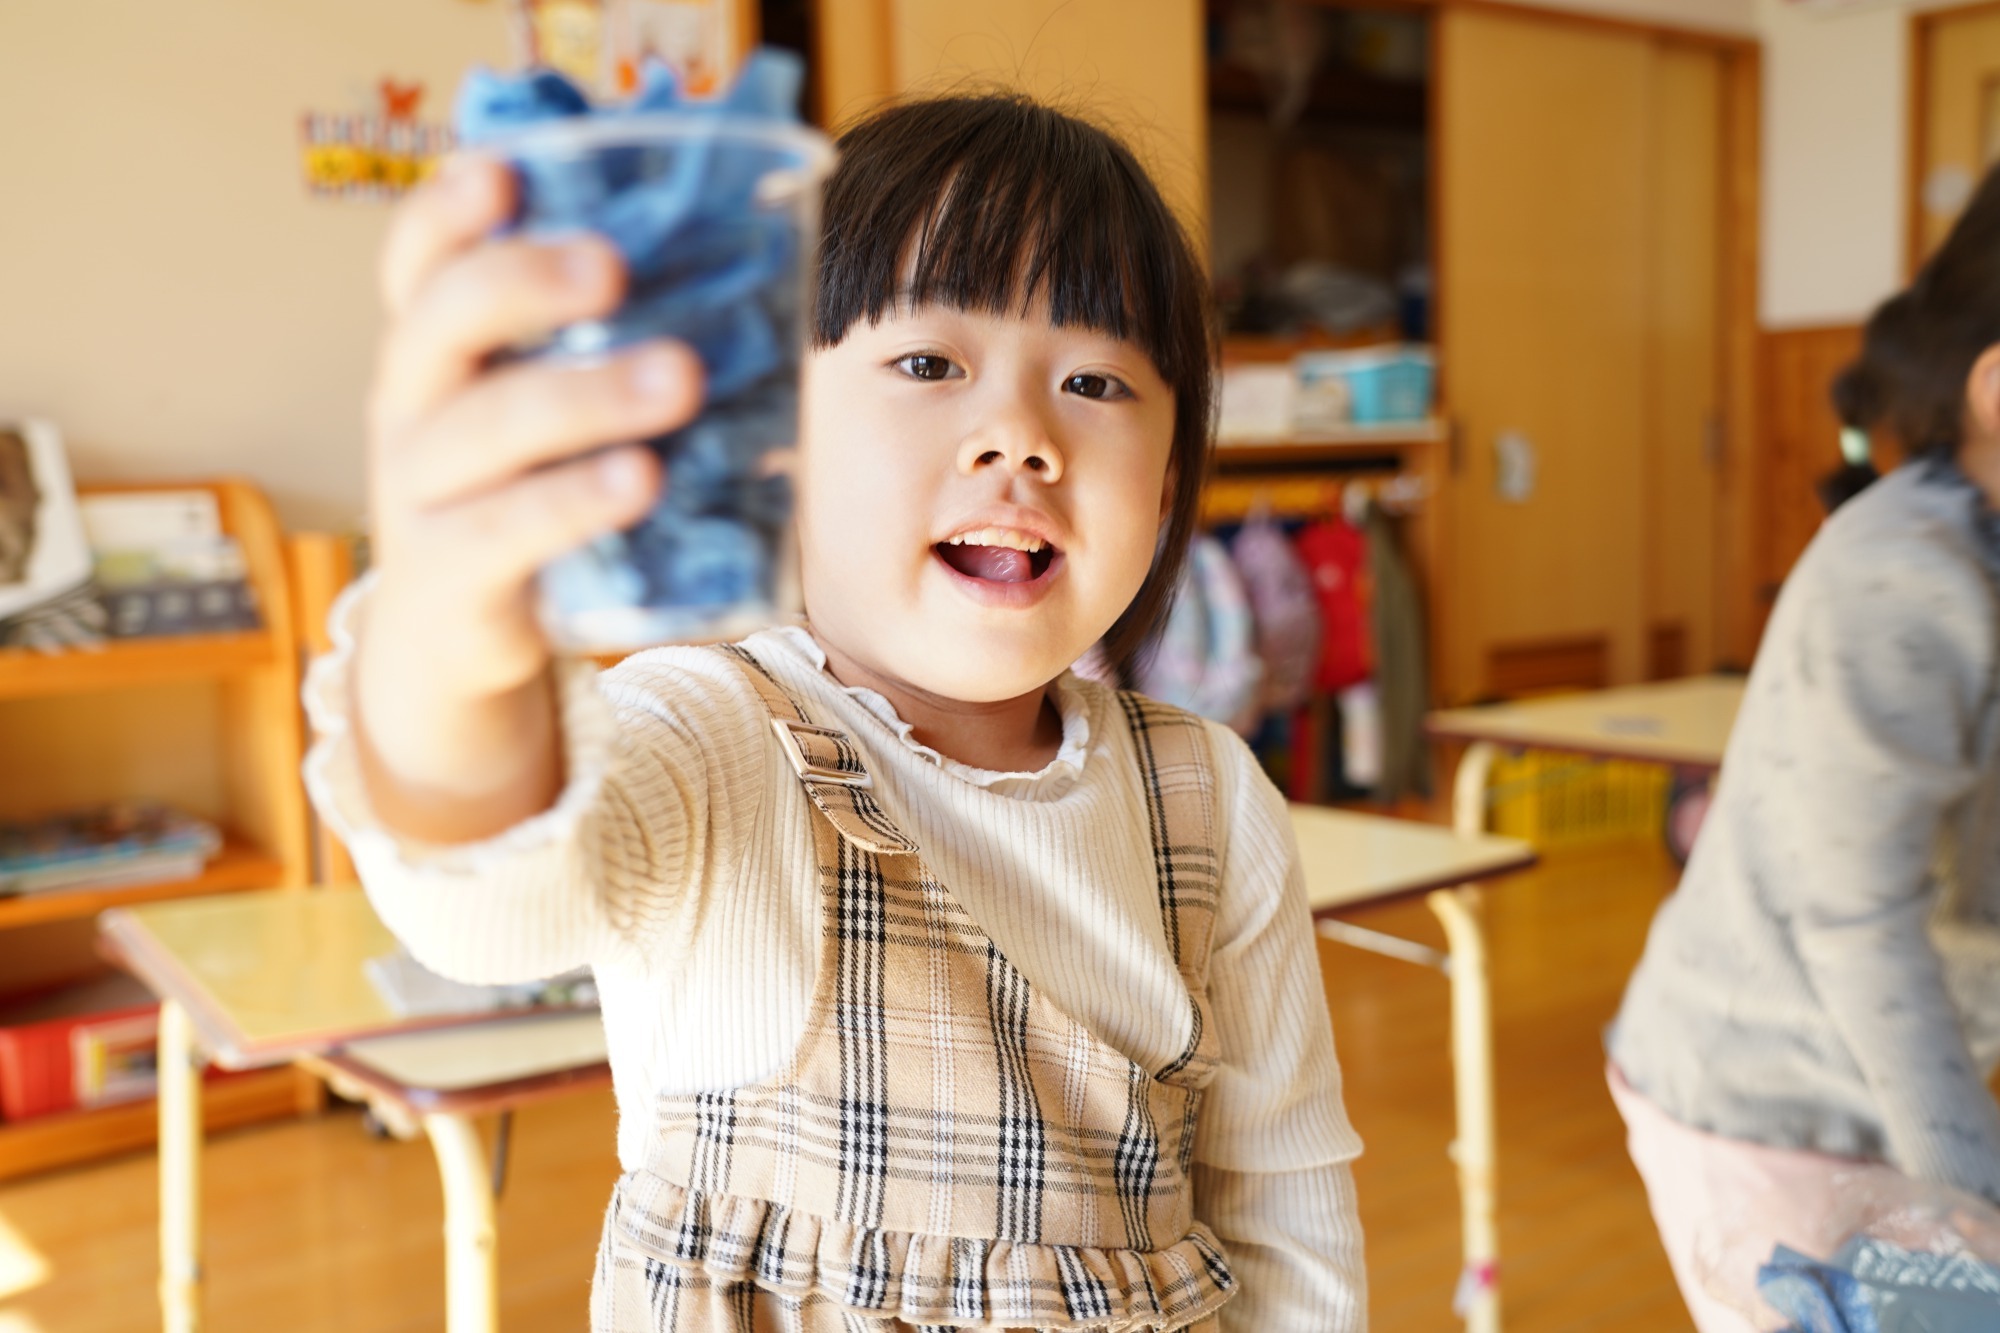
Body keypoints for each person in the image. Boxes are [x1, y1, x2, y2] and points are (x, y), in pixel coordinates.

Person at [306, 92, 1366, 1331]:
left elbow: (1284, 1208)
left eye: (1092, 380)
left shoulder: (1211, 801)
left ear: (1173, 475)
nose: (1020, 437)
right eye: (928, 364)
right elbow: (483, 903)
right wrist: (449, 632)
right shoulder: (716, 736)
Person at [1606, 163, 2000, 1331]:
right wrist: (1976, 1210)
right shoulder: (1904, 575)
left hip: (1900, 1085)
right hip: (1757, 1103)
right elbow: (1855, 927)